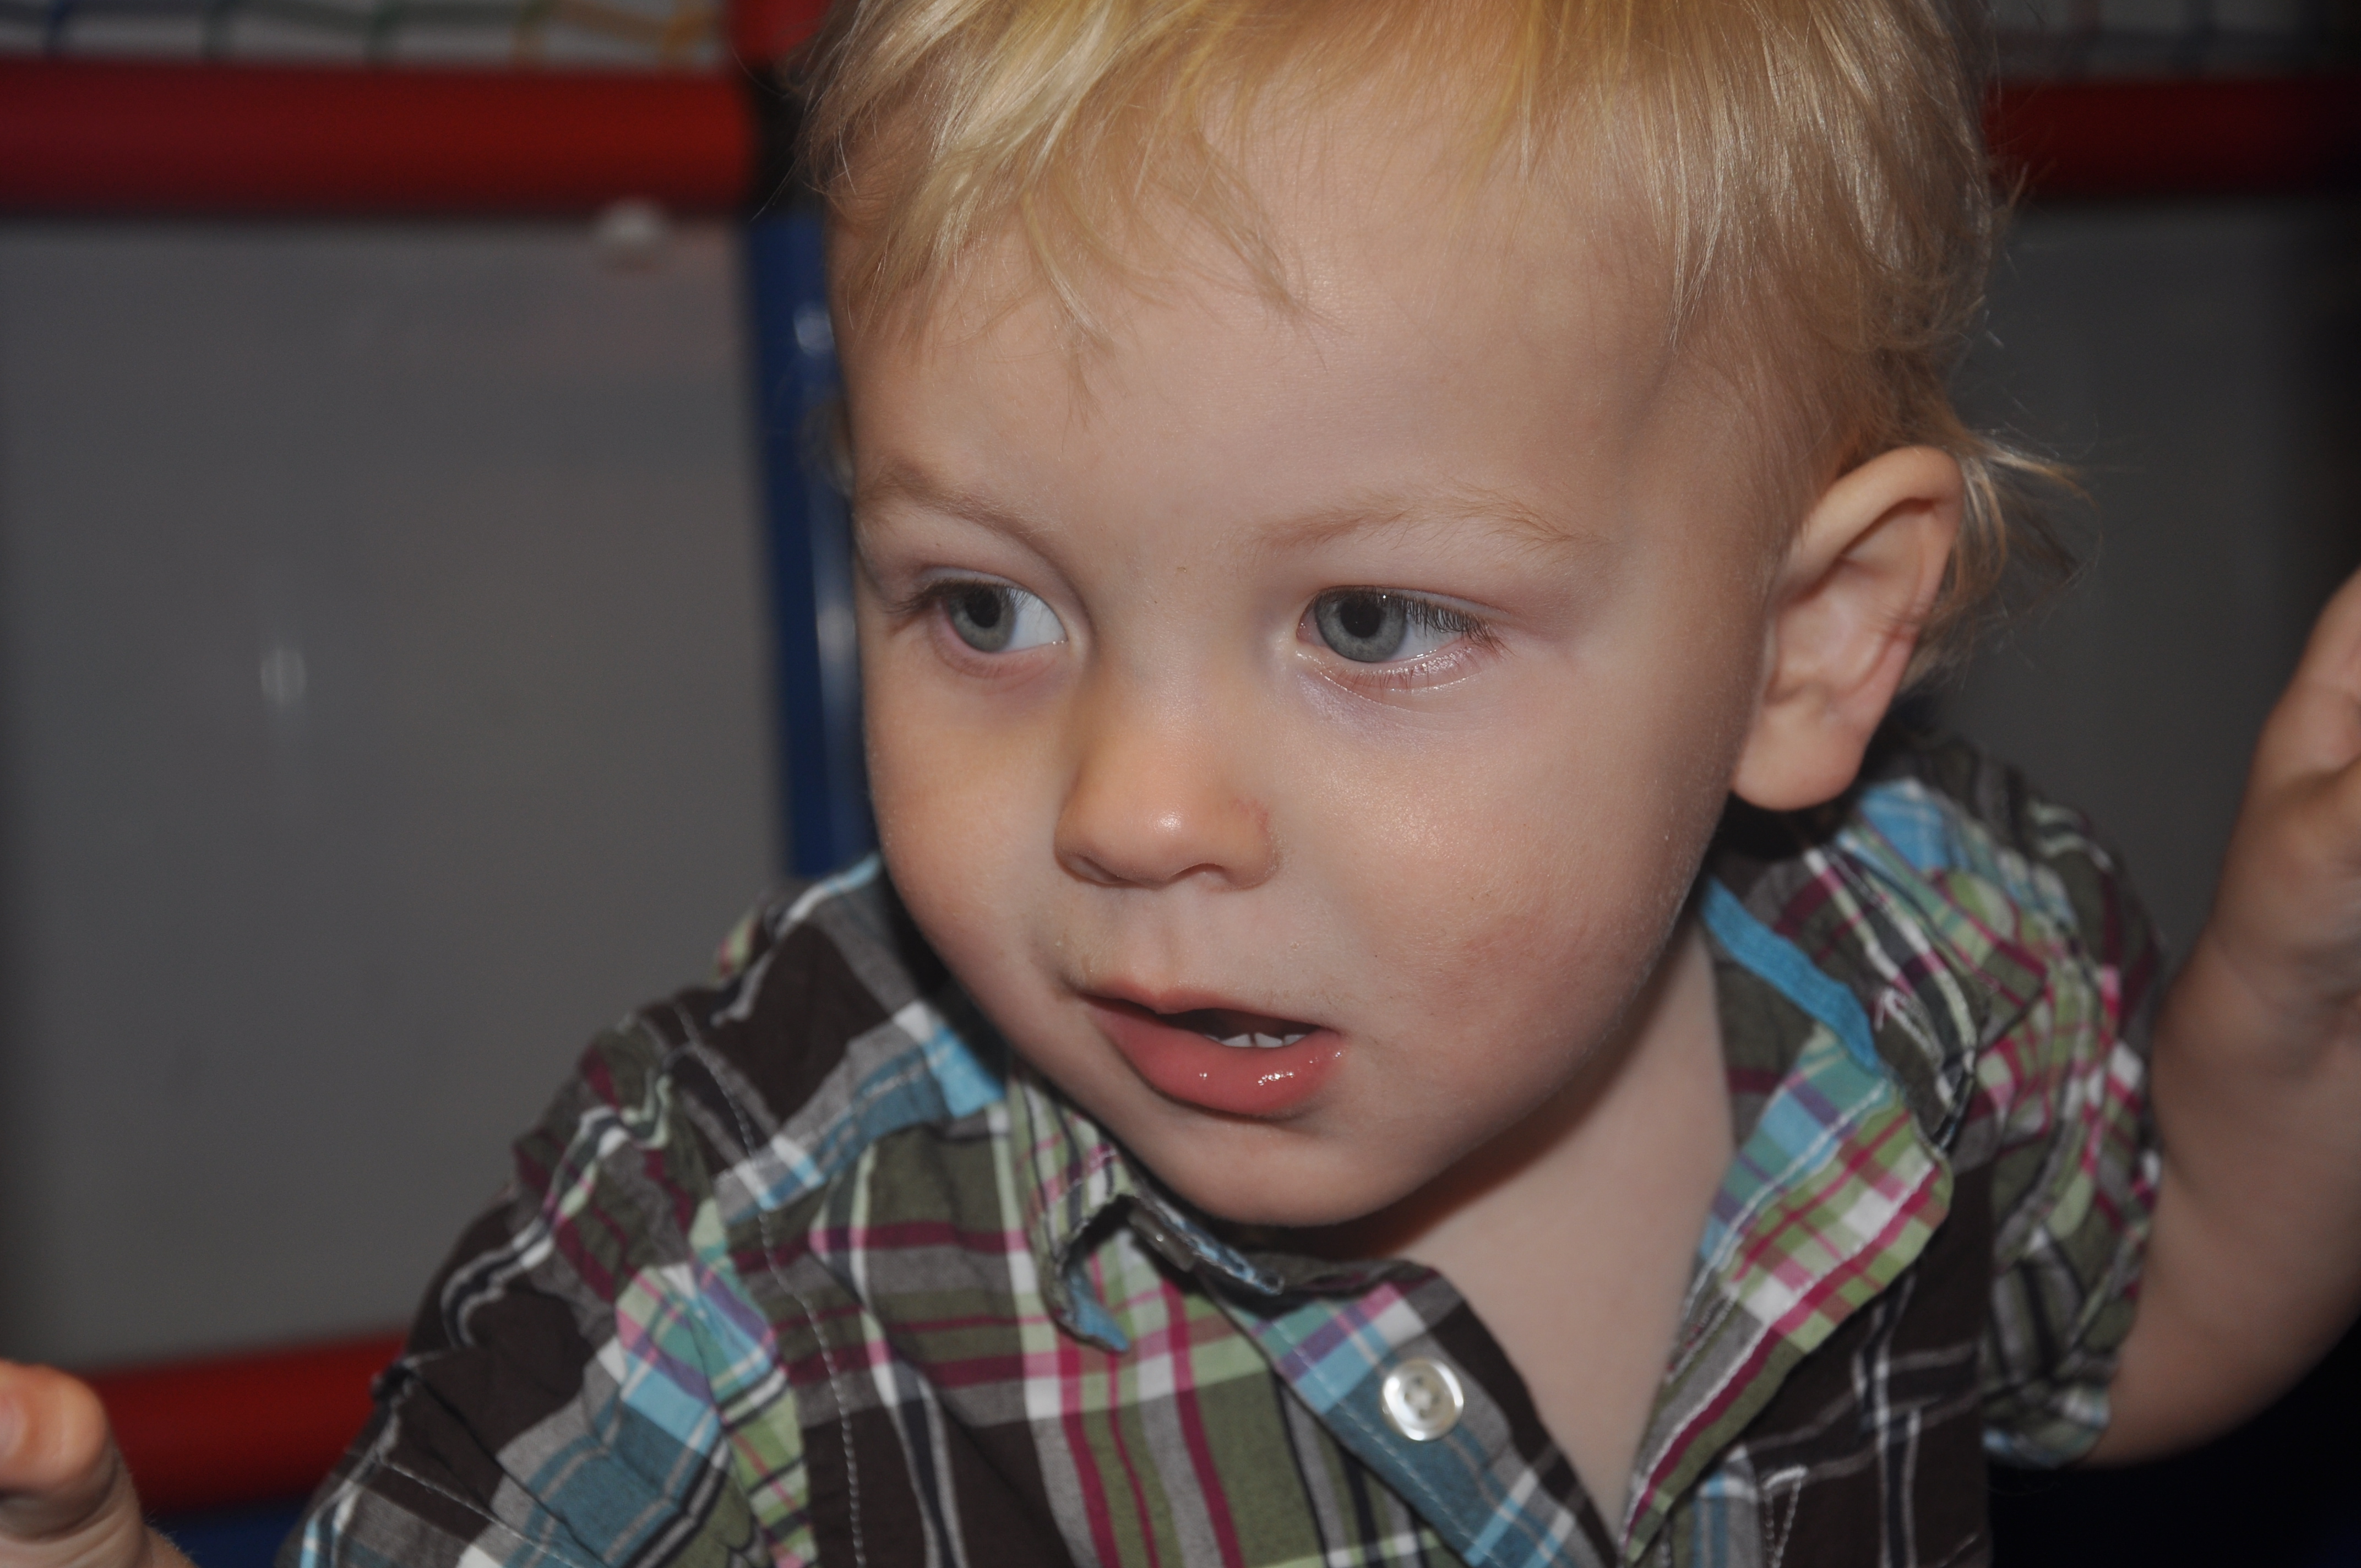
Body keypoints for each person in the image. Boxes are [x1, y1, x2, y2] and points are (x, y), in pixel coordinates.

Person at [9, 1, 2361, 1563]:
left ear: (1809, 642)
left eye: (1369, 623)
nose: (1131, 812)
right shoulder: (754, 1245)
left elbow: (2138, 1335)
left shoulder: (1930, 957)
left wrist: (2290, 991)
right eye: (985, 605)